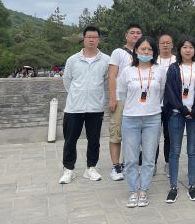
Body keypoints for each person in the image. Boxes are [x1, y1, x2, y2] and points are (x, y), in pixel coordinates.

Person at [117, 36, 165, 207]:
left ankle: (143, 190)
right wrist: (134, 107)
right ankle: (133, 190)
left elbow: (161, 92)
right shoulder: (127, 71)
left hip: (153, 118)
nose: (146, 52)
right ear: (136, 50)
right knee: (130, 158)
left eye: (149, 49)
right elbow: (122, 94)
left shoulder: (159, 70)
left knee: (149, 158)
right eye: (142, 49)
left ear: (154, 52)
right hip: (130, 118)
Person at [59, 26, 110, 184]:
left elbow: (107, 81)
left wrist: (96, 94)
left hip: (95, 107)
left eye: (95, 37)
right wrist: (77, 95)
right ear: (84, 38)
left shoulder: (106, 60)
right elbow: (67, 81)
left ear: (99, 39)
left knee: (94, 140)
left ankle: (91, 168)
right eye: (89, 37)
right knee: (70, 140)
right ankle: (68, 169)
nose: (91, 39)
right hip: (74, 107)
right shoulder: (73, 60)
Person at [163, 36, 195, 202]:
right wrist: (182, 109)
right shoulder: (173, 68)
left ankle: (192, 186)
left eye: (191, 47)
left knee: (192, 150)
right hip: (176, 113)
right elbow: (170, 92)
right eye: (184, 47)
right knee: (174, 151)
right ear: (179, 49)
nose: (188, 50)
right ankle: (173, 187)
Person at [108, 23, 143, 181]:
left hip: (138, 100)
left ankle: (130, 165)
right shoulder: (118, 53)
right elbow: (112, 76)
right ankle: (116, 166)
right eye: (132, 32)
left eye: (138, 33)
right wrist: (112, 98)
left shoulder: (144, 52)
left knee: (134, 135)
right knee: (116, 133)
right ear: (126, 35)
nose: (135, 35)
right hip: (121, 98)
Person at [157, 34, 176, 174]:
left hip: (171, 105)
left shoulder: (177, 60)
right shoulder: (153, 60)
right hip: (155, 104)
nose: (165, 45)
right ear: (158, 45)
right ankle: (151, 164)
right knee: (153, 136)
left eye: (167, 42)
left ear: (172, 45)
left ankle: (169, 163)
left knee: (169, 136)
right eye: (162, 43)